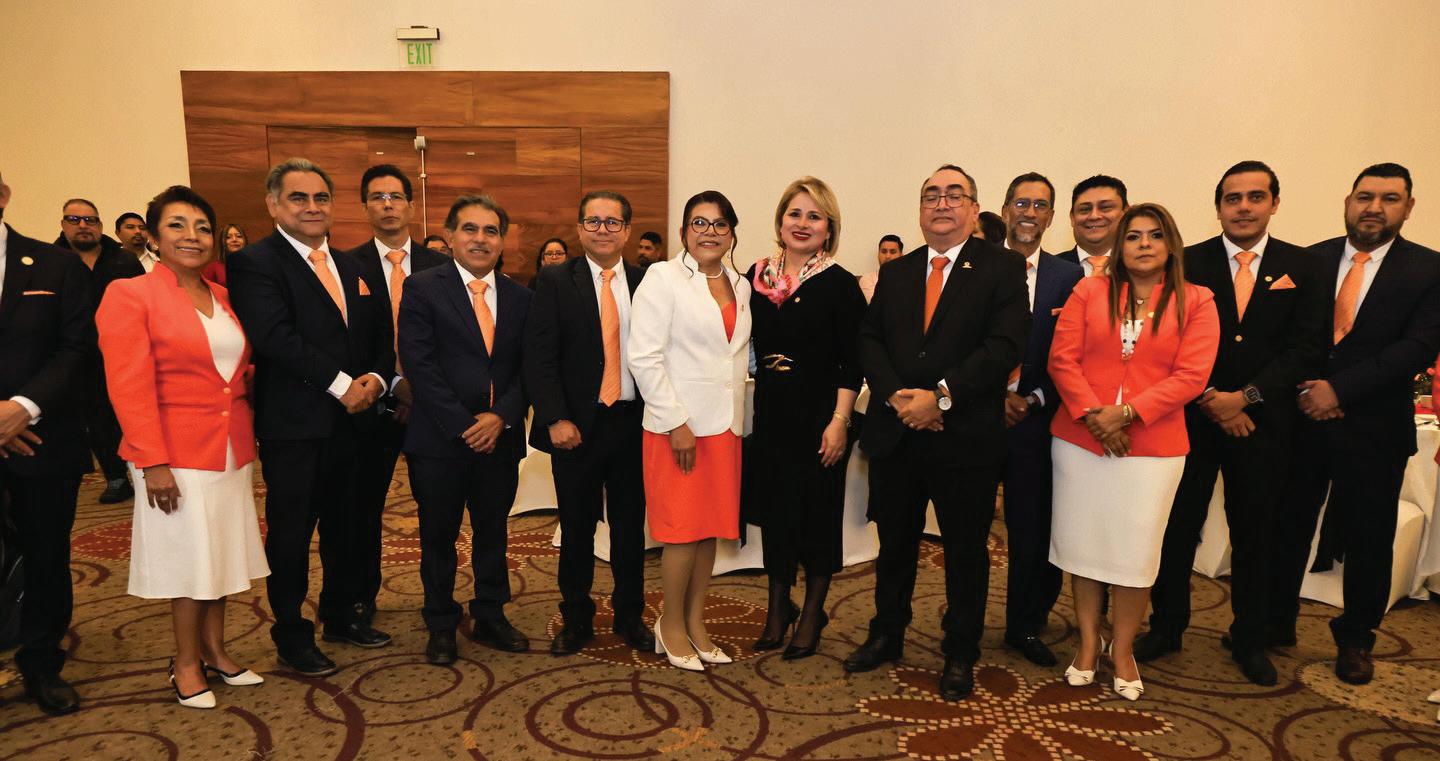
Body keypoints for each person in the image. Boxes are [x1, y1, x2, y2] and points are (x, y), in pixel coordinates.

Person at [1136, 162, 1326, 686]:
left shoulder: (1304, 266)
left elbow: (1306, 347)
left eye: (1255, 197)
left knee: (1256, 533)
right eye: (1233, 198)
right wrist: (1211, 399)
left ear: (1274, 203)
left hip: (1264, 425)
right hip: (1191, 420)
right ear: (1218, 206)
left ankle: (1250, 638)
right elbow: (1166, 342)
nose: (1244, 207)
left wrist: (1245, 399)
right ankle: (1166, 626)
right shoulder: (1186, 262)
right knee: (1176, 529)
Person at [847, 164, 1029, 701]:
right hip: (898, 433)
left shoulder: (1002, 267)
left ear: (974, 208)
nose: (941, 203)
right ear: (920, 209)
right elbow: (869, 338)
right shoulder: (899, 271)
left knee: (966, 550)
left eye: (954, 194)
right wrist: (897, 398)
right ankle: (888, 632)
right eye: (931, 195)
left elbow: (1004, 345)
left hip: (964, 437)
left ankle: (960, 650)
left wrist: (940, 397)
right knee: (895, 543)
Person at [97, 185, 270, 709]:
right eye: (176, 225)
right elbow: (128, 385)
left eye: (201, 227)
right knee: (189, 559)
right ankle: (186, 662)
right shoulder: (130, 294)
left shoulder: (222, 296)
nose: (191, 236)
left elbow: (232, 371)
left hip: (229, 448)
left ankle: (216, 651)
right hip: (172, 452)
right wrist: (152, 462)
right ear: (152, 237)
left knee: (220, 555)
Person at [1267, 163, 1440, 685]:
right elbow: (1288, 337)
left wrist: (1340, 391)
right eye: (1365, 197)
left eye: (1389, 199)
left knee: (1369, 538)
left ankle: (1356, 638)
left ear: (1408, 208)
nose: (1374, 208)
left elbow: (1417, 347)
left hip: (1375, 428)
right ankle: (1275, 622)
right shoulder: (1310, 260)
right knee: (1287, 525)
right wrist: (1311, 390)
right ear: (1348, 202)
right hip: (1303, 419)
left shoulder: (1429, 270)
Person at [226, 158, 395, 677]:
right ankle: (291, 634)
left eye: (321, 197)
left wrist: (376, 379)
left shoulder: (352, 265)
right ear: (273, 204)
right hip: (296, 428)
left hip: (356, 424)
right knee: (292, 535)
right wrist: (343, 386)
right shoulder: (255, 262)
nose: (312, 207)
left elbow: (379, 336)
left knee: (349, 526)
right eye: (299, 198)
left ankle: (341, 615)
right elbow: (276, 337)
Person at [1047, 202, 1219, 701]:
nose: (1144, 244)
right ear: (1119, 245)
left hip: (1153, 450)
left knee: (1136, 554)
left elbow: (1192, 376)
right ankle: (1087, 643)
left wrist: (1127, 414)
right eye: (1134, 236)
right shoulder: (1088, 290)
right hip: (1081, 441)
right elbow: (1062, 360)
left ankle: (1122, 650)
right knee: (1084, 547)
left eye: (1155, 235)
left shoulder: (1197, 300)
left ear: (1171, 245)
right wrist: (1095, 417)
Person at [399, 195, 532, 665]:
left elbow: (529, 368)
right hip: (439, 440)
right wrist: (464, 425)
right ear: (450, 237)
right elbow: (419, 363)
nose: (480, 239)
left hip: (500, 438)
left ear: (502, 241)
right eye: (470, 229)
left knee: (493, 531)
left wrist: (501, 417)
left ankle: (491, 613)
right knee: (439, 536)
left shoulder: (521, 297)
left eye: (491, 231)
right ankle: (440, 621)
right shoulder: (422, 288)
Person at [524, 191, 653, 657]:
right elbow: (539, 355)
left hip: (634, 425)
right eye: (593, 221)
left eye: (612, 222)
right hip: (575, 427)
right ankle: (576, 618)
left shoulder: (648, 282)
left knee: (629, 529)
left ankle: (629, 615)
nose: (602, 230)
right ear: (580, 228)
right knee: (576, 528)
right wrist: (555, 417)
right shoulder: (556, 280)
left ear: (627, 230)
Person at [628, 190, 751, 671]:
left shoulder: (740, 284)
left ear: (732, 233)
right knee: (680, 532)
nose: (709, 232)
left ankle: (696, 623)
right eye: (699, 223)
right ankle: (670, 624)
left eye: (720, 224)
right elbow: (644, 356)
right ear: (683, 232)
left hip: (725, 426)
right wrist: (675, 421)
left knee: (709, 532)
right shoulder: (662, 278)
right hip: (677, 427)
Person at [745, 177, 865, 660]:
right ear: (780, 222)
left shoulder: (840, 284)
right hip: (772, 415)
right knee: (776, 514)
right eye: (794, 213)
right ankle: (778, 607)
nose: (802, 223)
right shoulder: (756, 277)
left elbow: (852, 363)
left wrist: (840, 421)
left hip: (820, 418)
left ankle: (813, 612)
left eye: (814, 216)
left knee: (818, 516)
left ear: (828, 229)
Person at [0, 169, 94, 715]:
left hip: (43, 437)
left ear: (3, 196)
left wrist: (22, 408)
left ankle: (40, 664)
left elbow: (78, 347)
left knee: (45, 557)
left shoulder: (55, 264)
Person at [341, 164, 449, 625]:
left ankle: (439, 604)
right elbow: (349, 341)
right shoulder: (346, 266)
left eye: (395, 196)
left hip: (432, 407)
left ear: (410, 204)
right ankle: (361, 599)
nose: (387, 205)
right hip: (370, 405)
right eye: (377, 197)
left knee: (438, 511)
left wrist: (418, 390)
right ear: (365, 206)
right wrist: (394, 384)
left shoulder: (440, 266)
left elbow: (450, 340)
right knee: (362, 510)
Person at [997, 172, 1083, 667]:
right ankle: (964, 615)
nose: (1029, 213)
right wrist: (993, 397)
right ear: (1005, 210)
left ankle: (1024, 624)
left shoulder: (1068, 278)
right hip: (978, 418)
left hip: (1037, 421)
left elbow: (1075, 353)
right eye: (1021, 203)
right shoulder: (975, 265)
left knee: (1032, 530)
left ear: (1052, 217)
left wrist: (1030, 399)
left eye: (1040, 205)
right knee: (967, 527)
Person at [55, 198, 144, 504]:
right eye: (74, 219)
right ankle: (116, 476)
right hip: (80, 355)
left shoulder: (124, 260)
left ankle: (144, 470)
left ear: (100, 225)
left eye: (90, 220)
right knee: (96, 418)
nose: (83, 225)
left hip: (127, 351)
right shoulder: (53, 261)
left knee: (132, 413)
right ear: (63, 224)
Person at [1055, 176, 1128, 278]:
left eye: (1105, 207)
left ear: (1126, 213)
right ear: (1072, 217)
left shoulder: (1141, 268)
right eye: (1085, 209)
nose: (1094, 216)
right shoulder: (1048, 270)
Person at [856, 234, 904, 303]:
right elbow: (875, 304)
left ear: (901, 256)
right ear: (878, 255)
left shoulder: (909, 279)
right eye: (884, 252)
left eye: (893, 252)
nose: (887, 256)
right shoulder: (867, 279)